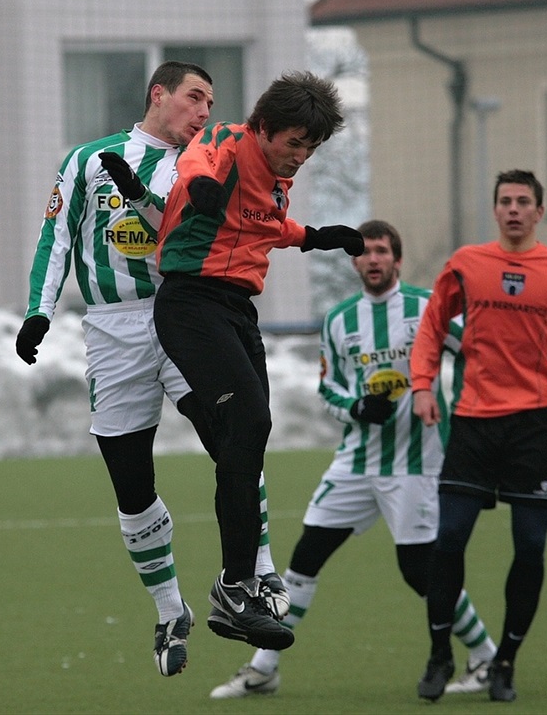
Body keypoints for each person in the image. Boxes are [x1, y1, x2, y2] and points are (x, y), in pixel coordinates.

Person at [15, 60, 286, 678]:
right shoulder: (88, 160)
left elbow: (191, 230)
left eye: (211, 102)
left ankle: (258, 574)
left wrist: (143, 197)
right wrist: (38, 311)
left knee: (238, 440)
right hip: (113, 330)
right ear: (157, 94)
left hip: (186, 313)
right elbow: (56, 237)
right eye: (195, 97)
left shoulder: (210, 160)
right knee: (132, 483)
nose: (205, 111)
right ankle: (170, 610)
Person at [121, 70, 364, 653]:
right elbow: (196, 164)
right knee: (248, 421)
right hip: (190, 302)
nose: (300, 156)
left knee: (247, 438)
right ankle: (237, 585)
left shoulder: (279, 182)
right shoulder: (228, 140)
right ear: (264, 127)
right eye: (294, 143)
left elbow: (269, 226)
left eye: (311, 148)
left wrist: (318, 236)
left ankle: (240, 591)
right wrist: (203, 188)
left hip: (236, 310)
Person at [209, 219, 497, 699]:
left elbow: (475, 351)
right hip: (356, 463)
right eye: (364, 252)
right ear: (354, 261)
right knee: (305, 559)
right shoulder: (339, 320)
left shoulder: (427, 306)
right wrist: (356, 407)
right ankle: (263, 668)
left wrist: (465, 407)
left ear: (397, 259)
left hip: (416, 464)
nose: (373, 259)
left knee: (419, 571)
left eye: (382, 250)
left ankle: (485, 655)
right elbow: (329, 388)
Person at [411, 169, 547, 703]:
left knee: (532, 547)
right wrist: (422, 385)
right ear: (495, 210)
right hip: (473, 420)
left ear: (539, 211)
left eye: (523, 201)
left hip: (532, 424)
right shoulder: (467, 263)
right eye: (505, 201)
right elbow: (432, 326)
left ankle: (506, 662)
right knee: (449, 540)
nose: (513, 209)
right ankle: (440, 653)